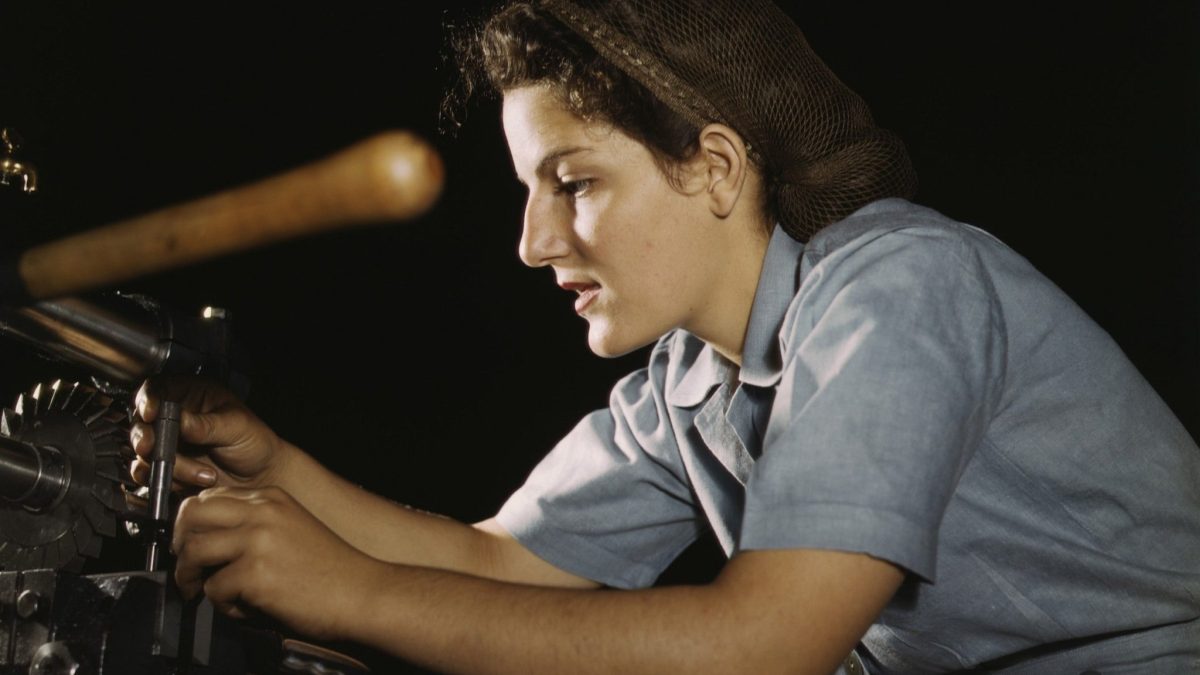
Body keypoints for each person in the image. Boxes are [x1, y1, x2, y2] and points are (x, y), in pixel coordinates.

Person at [130, 1, 1200, 672]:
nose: (534, 242)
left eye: (575, 183)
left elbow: (763, 646)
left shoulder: (901, 287)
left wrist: (355, 594)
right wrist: (277, 472)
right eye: (530, 191)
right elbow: (498, 561)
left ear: (716, 167)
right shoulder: (690, 385)